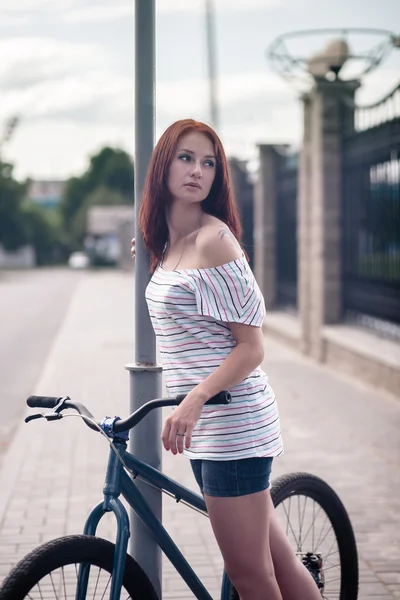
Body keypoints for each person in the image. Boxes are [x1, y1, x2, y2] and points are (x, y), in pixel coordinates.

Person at [131, 118, 321, 600]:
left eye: (209, 163)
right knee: (275, 563)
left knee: (250, 577)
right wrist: (152, 251)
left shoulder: (214, 242)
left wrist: (194, 398)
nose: (198, 171)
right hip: (210, 428)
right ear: (163, 165)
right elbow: (187, 310)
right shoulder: (171, 242)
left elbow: (252, 346)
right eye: (186, 158)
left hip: (232, 425)